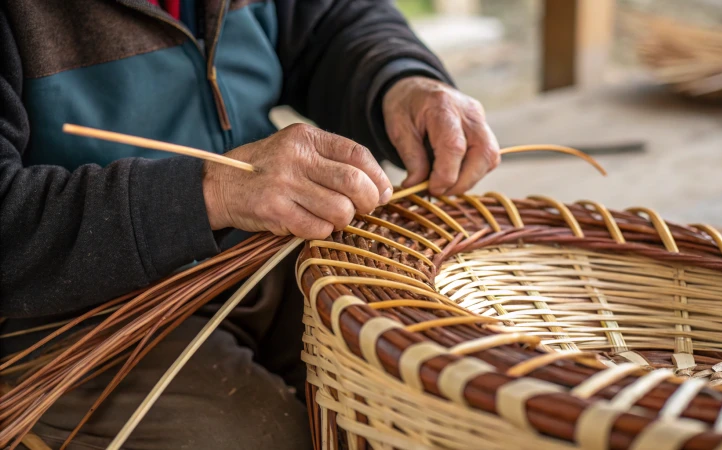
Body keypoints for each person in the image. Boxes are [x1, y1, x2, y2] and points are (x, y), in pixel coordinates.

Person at [0, 1, 500, 448]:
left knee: (422, 388)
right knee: (267, 437)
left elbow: (328, 20)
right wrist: (210, 191)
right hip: (66, 303)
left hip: (264, 247)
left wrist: (400, 80)